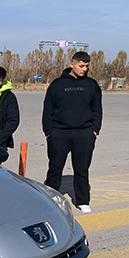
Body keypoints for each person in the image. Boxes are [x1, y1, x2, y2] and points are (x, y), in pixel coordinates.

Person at [42, 51, 103, 214]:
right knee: (55, 168)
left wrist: (94, 131)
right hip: (59, 134)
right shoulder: (57, 85)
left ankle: (83, 201)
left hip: (84, 134)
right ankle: (51, 199)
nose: (84, 69)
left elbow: (97, 109)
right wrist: (49, 132)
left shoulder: (92, 85)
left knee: (82, 169)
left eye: (87, 66)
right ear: (72, 65)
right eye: (81, 66)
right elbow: (48, 110)